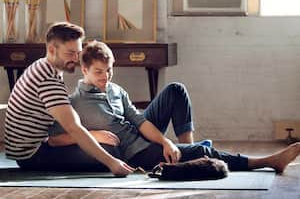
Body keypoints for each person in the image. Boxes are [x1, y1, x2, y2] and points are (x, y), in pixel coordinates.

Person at [48, 41, 300, 173]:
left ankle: (186, 151)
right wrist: (94, 135)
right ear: (84, 70)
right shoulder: (74, 103)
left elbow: (139, 120)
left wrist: (167, 144)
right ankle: (267, 162)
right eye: (99, 72)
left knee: (175, 90)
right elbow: (54, 140)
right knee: (205, 154)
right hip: (134, 153)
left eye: (109, 70)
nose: (106, 76)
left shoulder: (115, 90)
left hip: (142, 137)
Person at [4, 22, 134, 175]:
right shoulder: (48, 79)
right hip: (32, 155)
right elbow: (73, 127)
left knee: (104, 143)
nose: (76, 58)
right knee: (110, 150)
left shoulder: (42, 65)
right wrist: (112, 163)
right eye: (70, 53)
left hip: (30, 149)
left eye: (77, 53)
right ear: (52, 50)